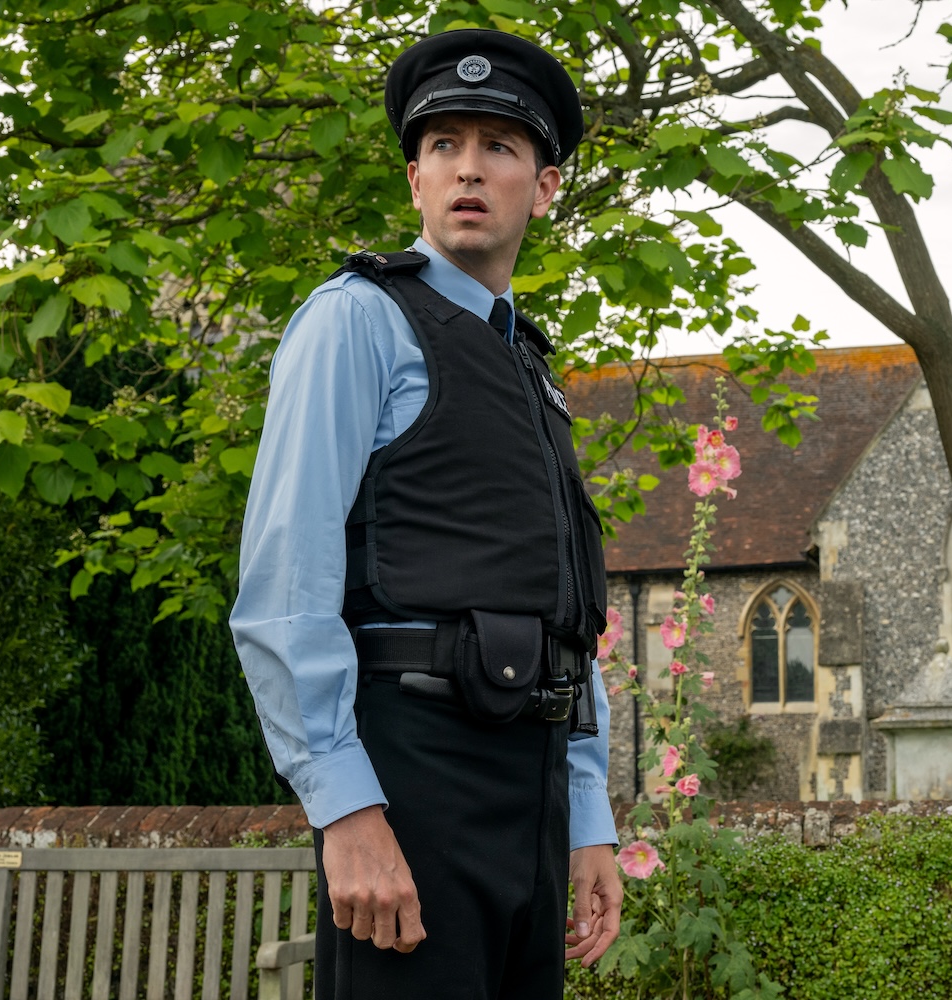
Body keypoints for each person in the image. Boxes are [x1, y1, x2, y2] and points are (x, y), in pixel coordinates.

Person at [229, 27, 623, 1000]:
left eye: (500, 145)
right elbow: (285, 586)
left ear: (546, 184)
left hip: (530, 784)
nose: (469, 168)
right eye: (444, 145)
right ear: (415, 180)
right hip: (415, 778)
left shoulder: (531, 366)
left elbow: (564, 614)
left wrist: (586, 816)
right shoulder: (356, 320)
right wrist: (347, 810)